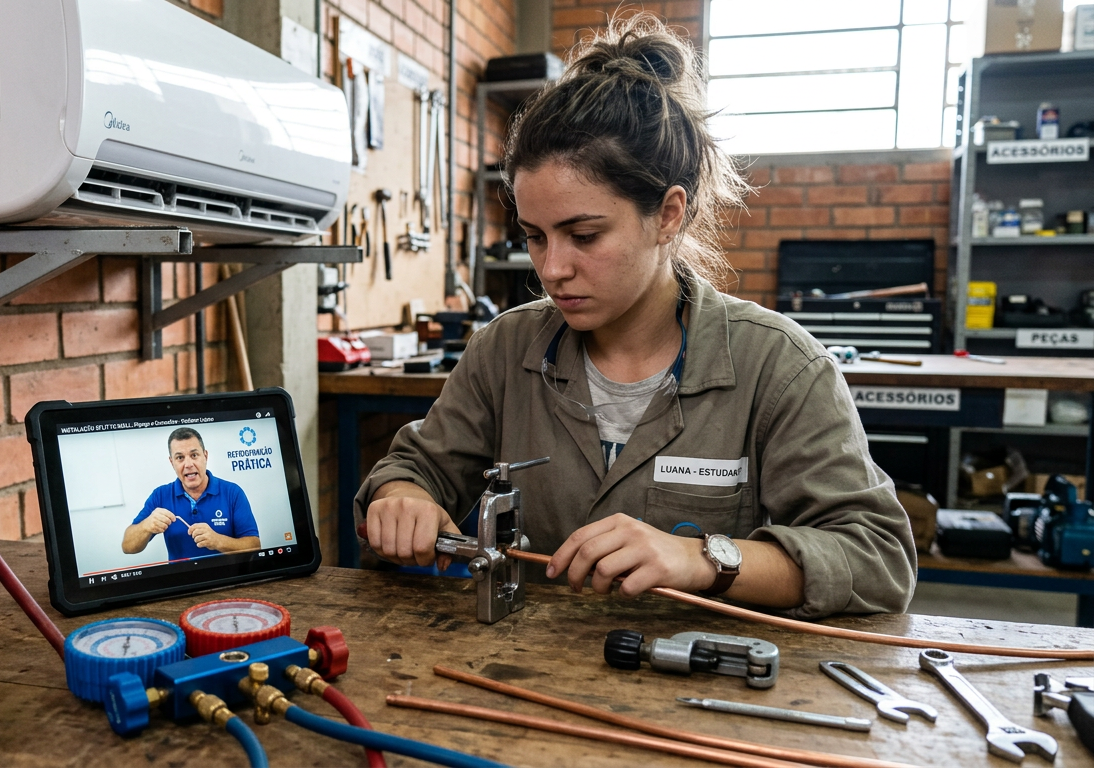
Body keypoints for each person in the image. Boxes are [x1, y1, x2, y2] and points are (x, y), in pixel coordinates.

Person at [355, 15, 916, 619]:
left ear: (669, 214)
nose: (552, 268)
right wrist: (401, 496)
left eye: (584, 235)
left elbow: (876, 557)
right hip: (524, 670)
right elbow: (415, 468)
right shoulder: (505, 348)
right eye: (535, 236)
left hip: (692, 680)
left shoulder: (777, 365)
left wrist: (704, 559)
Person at [122, 427, 261, 558]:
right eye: (180, 458)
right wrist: (146, 525)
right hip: (182, 580)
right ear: (172, 463)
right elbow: (127, 547)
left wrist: (218, 541)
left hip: (229, 578)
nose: (188, 464)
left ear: (205, 456)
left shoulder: (232, 492)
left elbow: (255, 546)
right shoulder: (160, 496)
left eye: (194, 455)